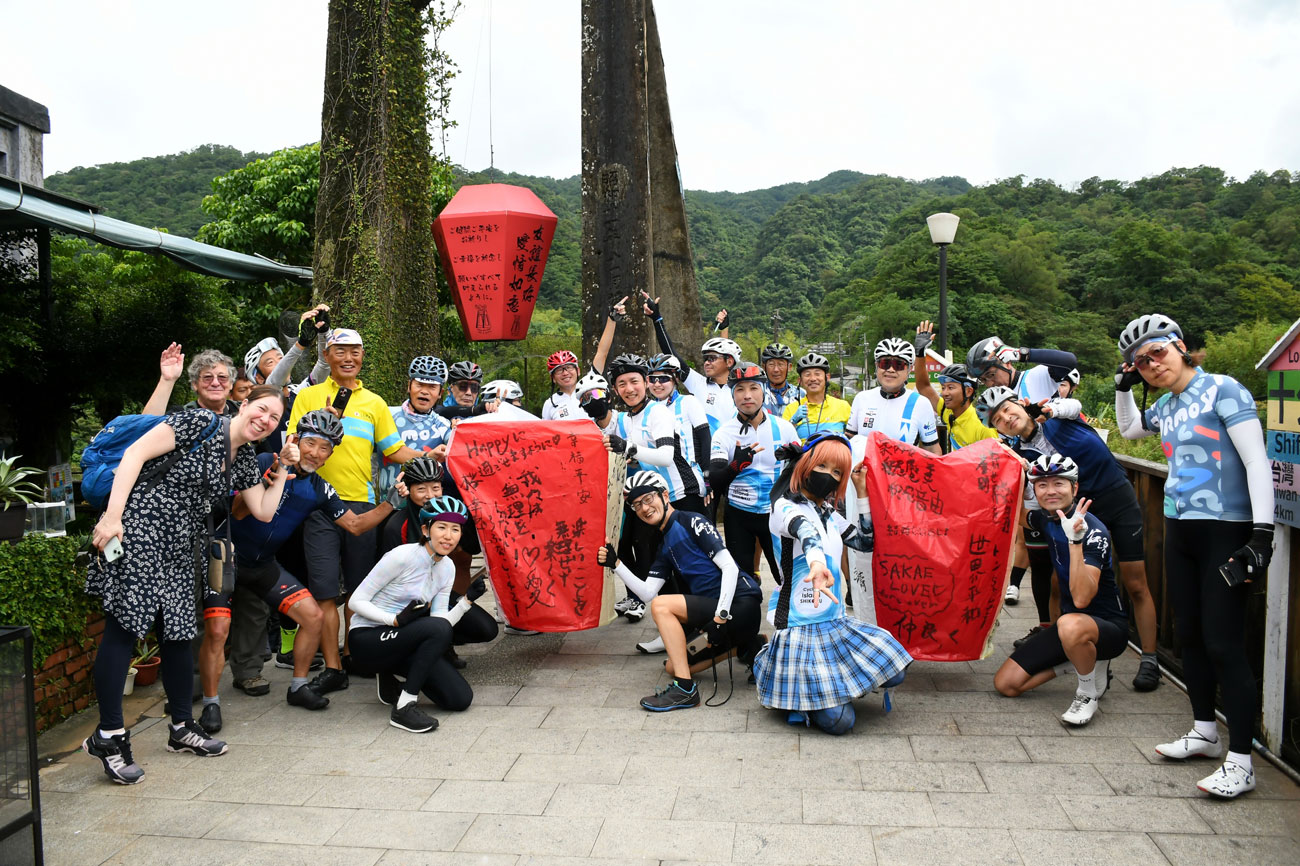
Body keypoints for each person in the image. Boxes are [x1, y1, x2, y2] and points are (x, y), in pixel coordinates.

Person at [83, 380, 291, 784]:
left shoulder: (244, 457)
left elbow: (263, 511)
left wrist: (283, 467)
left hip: (183, 545)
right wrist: (112, 517)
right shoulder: (199, 421)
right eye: (261, 410)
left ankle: (181, 727)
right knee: (123, 631)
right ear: (243, 403)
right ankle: (108, 735)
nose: (265, 420)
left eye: (275, 419)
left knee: (179, 633)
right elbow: (135, 454)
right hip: (139, 530)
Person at [1115, 313, 1274, 798]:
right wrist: (1122, 386)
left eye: (1157, 352)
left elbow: (1255, 460)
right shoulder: (1165, 404)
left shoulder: (1224, 389)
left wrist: (1262, 535)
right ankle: (1205, 732)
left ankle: (1242, 762)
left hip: (1227, 530)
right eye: (1139, 363)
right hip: (1181, 528)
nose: (1150, 364)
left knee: (1224, 643)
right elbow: (1128, 430)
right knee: (1190, 636)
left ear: (1181, 346)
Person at [218, 410, 405, 719]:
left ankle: (298, 686)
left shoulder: (319, 488)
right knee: (217, 628)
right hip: (229, 556)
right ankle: (207, 701)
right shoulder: (264, 462)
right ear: (295, 440)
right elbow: (237, 512)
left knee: (313, 615)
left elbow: (356, 525)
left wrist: (390, 503)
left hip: (264, 563)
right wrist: (274, 473)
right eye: (311, 444)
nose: (316, 454)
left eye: (325, 448)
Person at [978, 384, 1161, 691]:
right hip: (1076, 512)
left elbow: (1072, 406)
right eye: (997, 419)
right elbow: (1029, 502)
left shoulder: (1056, 419)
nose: (1006, 418)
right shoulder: (1021, 455)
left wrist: (1049, 408)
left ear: (1021, 406)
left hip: (1116, 499)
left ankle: (1150, 659)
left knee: (1135, 582)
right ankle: (1073, 645)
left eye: (1008, 409)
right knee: (1058, 582)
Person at [285, 328, 423, 693]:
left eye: (355, 351)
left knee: (361, 588)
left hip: (361, 502)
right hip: (315, 504)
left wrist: (432, 454)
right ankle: (333, 666)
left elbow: (394, 451)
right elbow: (292, 441)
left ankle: (354, 652)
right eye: (340, 351)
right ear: (327, 356)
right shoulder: (309, 395)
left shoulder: (375, 403)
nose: (348, 358)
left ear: (363, 356)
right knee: (325, 592)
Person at [754, 433, 911, 734]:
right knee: (841, 723)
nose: (828, 475)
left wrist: (861, 490)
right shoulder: (783, 508)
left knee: (896, 670)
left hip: (834, 620)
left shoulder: (827, 512)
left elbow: (865, 541)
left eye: (837, 472)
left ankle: (826, 688)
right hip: (800, 625)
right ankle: (780, 676)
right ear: (804, 464)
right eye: (822, 465)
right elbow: (804, 532)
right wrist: (816, 564)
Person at [596, 472, 763, 711]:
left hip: (739, 606)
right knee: (673, 666)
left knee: (661, 606)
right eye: (636, 505)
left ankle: (684, 689)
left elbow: (729, 567)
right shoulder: (665, 545)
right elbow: (646, 593)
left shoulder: (692, 521)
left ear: (665, 495)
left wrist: (720, 617)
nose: (643, 508)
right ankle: (747, 647)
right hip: (720, 616)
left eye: (648, 498)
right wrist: (617, 565)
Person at [994, 455, 1128, 727]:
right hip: (1070, 629)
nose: (1051, 490)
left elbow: (1081, 598)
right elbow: (1016, 514)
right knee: (1006, 684)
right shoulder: (1047, 519)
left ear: (1074, 489)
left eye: (1059, 483)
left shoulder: (1093, 532)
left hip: (1107, 629)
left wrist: (1075, 541)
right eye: (1042, 485)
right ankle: (1079, 663)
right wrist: (1015, 476)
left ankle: (1087, 693)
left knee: (1068, 623)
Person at [348, 497, 487, 732]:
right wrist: (392, 620)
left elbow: (441, 622)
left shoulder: (447, 567)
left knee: (460, 699)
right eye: (441, 527)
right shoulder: (402, 556)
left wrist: (466, 601)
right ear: (426, 529)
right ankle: (404, 707)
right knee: (436, 628)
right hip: (367, 638)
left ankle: (389, 674)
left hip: (400, 639)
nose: (448, 535)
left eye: (455, 529)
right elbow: (355, 601)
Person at [378, 457, 499, 661]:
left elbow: (471, 547)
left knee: (487, 629)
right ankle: (417, 647)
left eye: (435, 488)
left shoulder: (450, 514)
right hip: (405, 602)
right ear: (407, 489)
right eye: (421, 489)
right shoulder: (396, 525)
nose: (429, 495)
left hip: (439, 596)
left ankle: (444, 642)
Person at [709, 362, 801, 583]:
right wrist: (737, 464)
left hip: (776, 512)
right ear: (732, 395)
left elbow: (803, 471)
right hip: (740, 515)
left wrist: (798, 457)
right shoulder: (724, 433)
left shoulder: (785, 428)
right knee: (742, 580)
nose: (747, 395)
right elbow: (715, 478)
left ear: (764, 391)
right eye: (739, 389)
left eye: (753, 388)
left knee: (786, 576)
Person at [644, 293, 738, 433]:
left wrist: (724, 329)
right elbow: (670, 353)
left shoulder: (740, 389)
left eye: (711, 359)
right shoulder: (698, 383)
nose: (706, 363)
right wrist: (657, 320)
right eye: (705, 359)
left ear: (729, 362)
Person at [378, 356, 452, 503]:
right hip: (387, 505)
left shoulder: (443, 425)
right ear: (409, 386)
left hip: (425, 507)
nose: (424, 391)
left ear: (440, 393)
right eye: (419, 384)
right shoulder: (386, 414)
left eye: (432, 387)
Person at [846, 338, 941, 454]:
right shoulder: (862, 398)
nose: (891, 369)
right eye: (885, 363)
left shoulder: (920, 403)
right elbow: (849, 440)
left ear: (909, 370)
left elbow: (932, 449)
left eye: (899, 365)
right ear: (877, 366)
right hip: (865, 470)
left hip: (902, 471)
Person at [913, 323, 997, 452]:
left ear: (968, 391)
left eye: (951, 387)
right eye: (943, 387)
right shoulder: (949, 413)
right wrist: (920, 353)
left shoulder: (983, 426)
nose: (944, 393)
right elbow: (923, 387)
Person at [966, 336, 1077, 404]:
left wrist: (1022, 354)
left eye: (991, 375)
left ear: (1007, 363)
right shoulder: (996, 403)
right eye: (983, 380)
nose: (989, 384)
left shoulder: (1037, 376)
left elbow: (1069, 361)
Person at [142, 347, 239, 417]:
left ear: (231, 384)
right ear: (195, 384)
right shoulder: (181, 415)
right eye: (207, 377)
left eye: (222, 377)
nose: (215, 383)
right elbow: (146, 429)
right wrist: (167, 380)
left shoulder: (243, 410)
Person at [782, 352, 852, 438]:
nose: (813, 379)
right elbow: (782, 440)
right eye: (807, 375)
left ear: (827, 377)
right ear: (800, 381)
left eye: (817, 374)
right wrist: (793, 422)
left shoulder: (843, 406)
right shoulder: (791, 409)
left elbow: (853, 439)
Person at [761, 343, 804, 415]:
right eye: (771, 364)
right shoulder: (757, 393)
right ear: (764, 367)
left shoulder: (801, 394)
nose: (776, 369)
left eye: (781, 364)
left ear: (789, 367)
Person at [542, 350, 583, 420]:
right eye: (559, 370)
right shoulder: (549, 404)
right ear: (553, 378)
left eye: (569, 367)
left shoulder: (592, 392)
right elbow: (544, 430)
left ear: (578, 371)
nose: (565, 373)